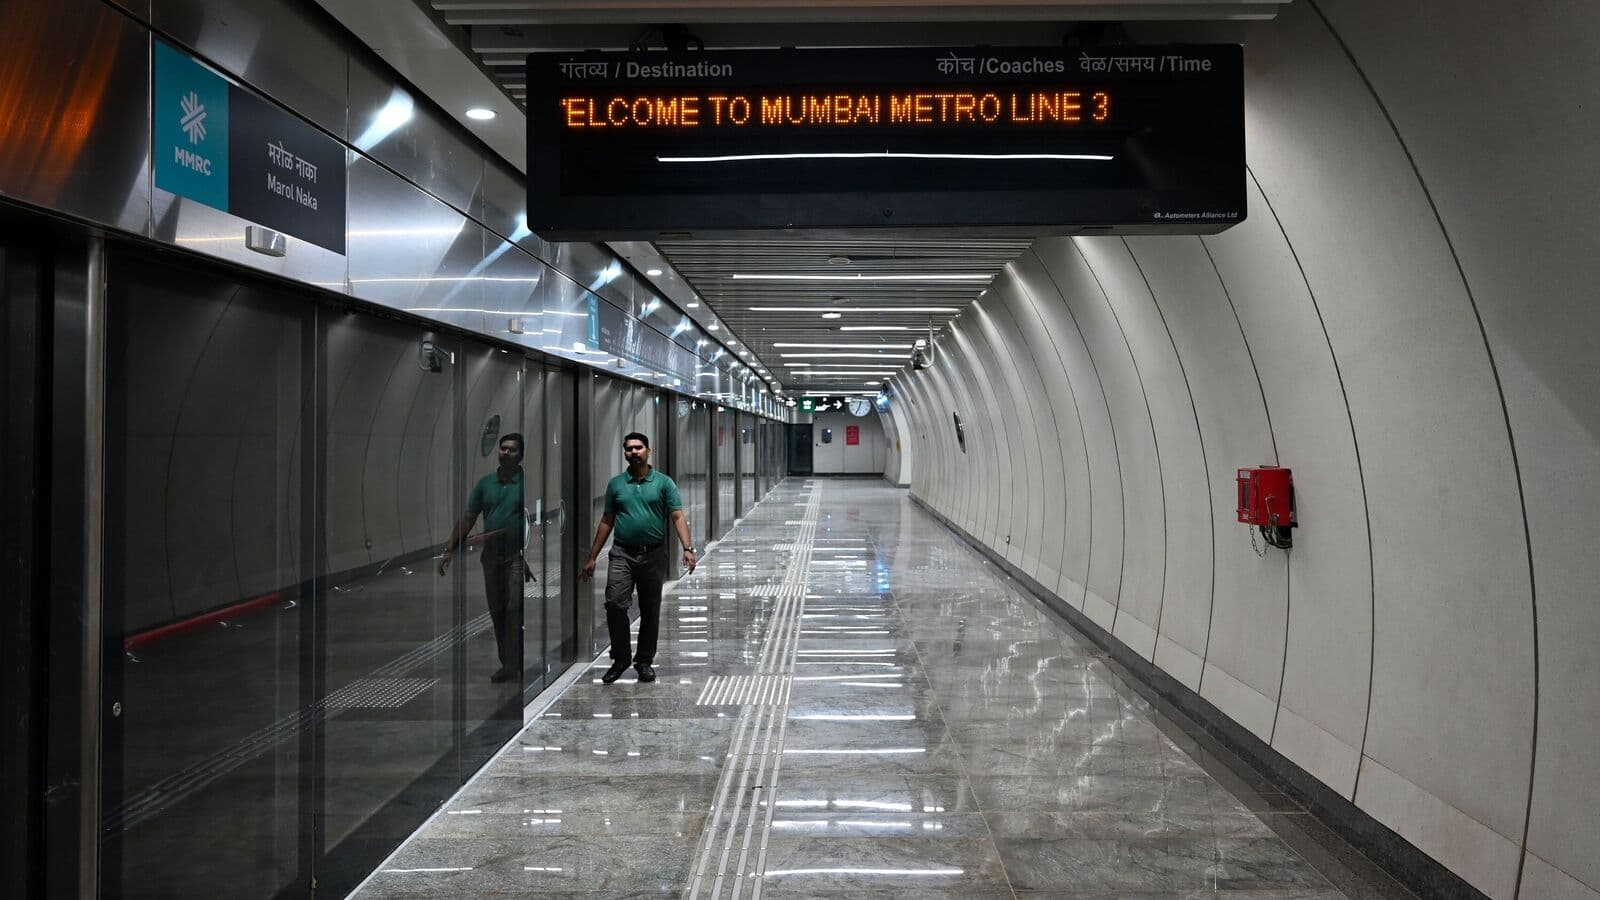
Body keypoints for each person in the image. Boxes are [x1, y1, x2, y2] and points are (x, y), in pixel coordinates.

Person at [580, 432, 696, 684]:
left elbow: (677, 516)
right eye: (629, 448)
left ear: (648, 451)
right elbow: (607, 520)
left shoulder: (664, 483)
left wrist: (688, 548)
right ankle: (620, 658)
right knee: (614, 603)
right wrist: (592, 556)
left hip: (653, 554)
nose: (634, 452)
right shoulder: (616, 484)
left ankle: (644, 661)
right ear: (625, 453)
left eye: (639, 448)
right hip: (622, 552)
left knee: (650, 608)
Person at [439, 433, 526, 684]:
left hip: (516, 555)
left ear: (520, 454)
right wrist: (449, 549)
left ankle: (515, 660)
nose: (505, 453)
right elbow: (468, 517)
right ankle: (508, 663)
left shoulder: (525, 483)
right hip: (491, 557)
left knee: (513, 608)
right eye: (502, 449)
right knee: (498, 610)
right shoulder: (485, 484)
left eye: (510, 449)